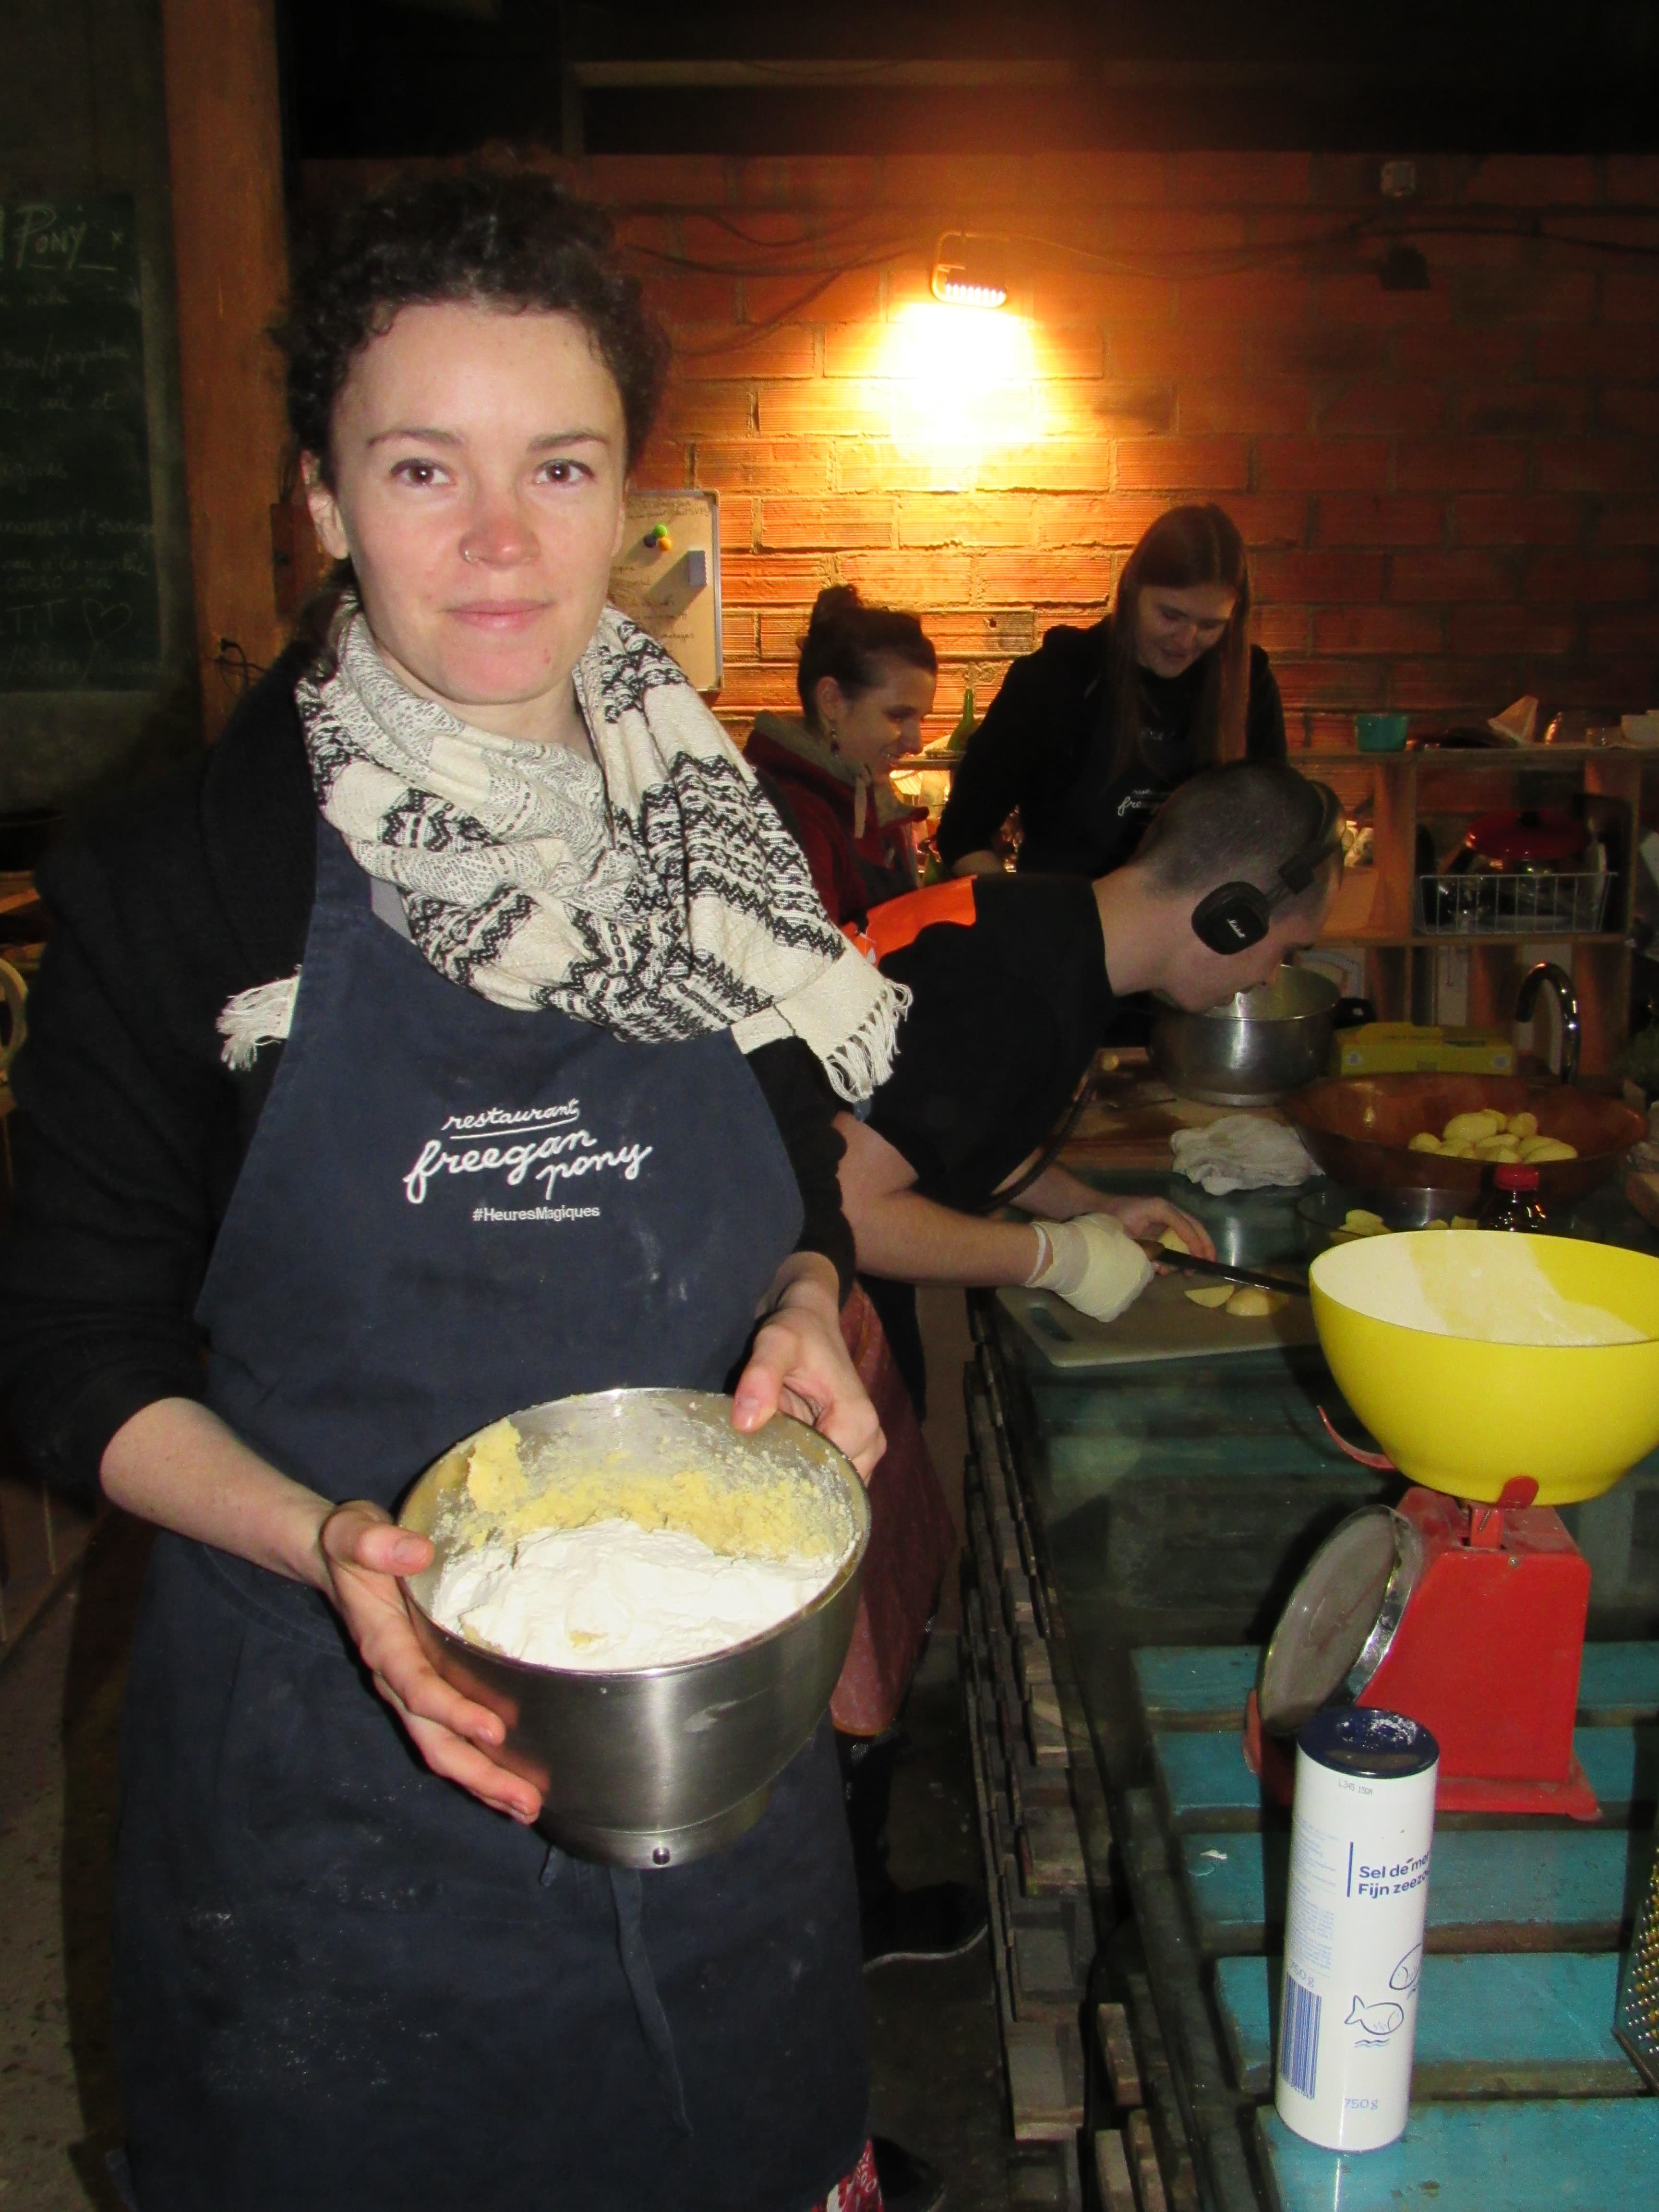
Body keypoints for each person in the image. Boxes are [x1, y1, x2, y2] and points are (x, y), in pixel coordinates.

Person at [0, 171, 914, 2212]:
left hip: (708, 1775)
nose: (497, 541)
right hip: (330, 1784)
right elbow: (70, 1349)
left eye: (555, 466)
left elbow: (796, 1175)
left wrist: (793, 1295)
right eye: (422, 467)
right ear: (321, 504)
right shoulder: (186, 883)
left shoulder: (719, 843)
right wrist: (324, 1538)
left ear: (624, 499)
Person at [838, 763, 1343, 1316]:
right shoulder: (1015, 996)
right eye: (1287, 951)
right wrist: (1061, 1258)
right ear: (1233, 919)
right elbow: (848, 1210)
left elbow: (943, 1128)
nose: (1271, 978)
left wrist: (1090, 1208)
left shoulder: (1043, 928)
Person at [937, 503, 1287, 883]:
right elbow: (963, 833)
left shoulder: (1249, 684)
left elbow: (1274, 833)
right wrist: (1031, 914)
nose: (1187, 641)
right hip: (1070, 928)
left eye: (1210, 625)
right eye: (1171, 616)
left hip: (1195, 935)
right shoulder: (1056, 677)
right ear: (1133, 590)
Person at [745, 584, 937, 926]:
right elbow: (813, 966)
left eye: (919, 719)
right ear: (832, 700)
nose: (916, 743)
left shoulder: (866, 795)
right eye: (897, 716)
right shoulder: (793, 815)